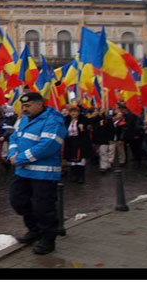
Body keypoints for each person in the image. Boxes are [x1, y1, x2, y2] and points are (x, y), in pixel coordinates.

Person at [7, 92, 67, 255]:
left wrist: (20, 158)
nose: (24, 109)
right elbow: (14, 138)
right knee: (18, 201)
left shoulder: (53, 120)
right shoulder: (23, 119)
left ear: (39, 104)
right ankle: (34, 230)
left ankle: (48, 239)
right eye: (23, 106)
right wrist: (12, 154)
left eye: (28, 106)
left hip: (44, 174)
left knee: (43, 208)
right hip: (22, 171)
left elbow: (48, 145)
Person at [63, 105, 93, 183]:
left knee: (80, 160)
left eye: (75, 112)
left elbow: (91, 124)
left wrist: (84, 128)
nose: (73, 113)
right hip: (70, 142)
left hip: (80, 142)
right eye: (72, 112)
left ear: (79, 113)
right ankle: (74, 176)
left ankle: (81, 177)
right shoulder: (66, 121)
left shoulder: (83, 120)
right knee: (72, 161)